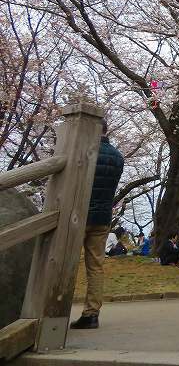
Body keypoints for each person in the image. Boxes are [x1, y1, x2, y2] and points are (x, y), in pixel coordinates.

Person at [70, 120, 124, 330]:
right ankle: (92, 313)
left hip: (78, 215)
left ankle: (54, 310)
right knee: (96, 266)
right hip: (102, 218)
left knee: (67, 263)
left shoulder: (83, 151)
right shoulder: (117, 157)